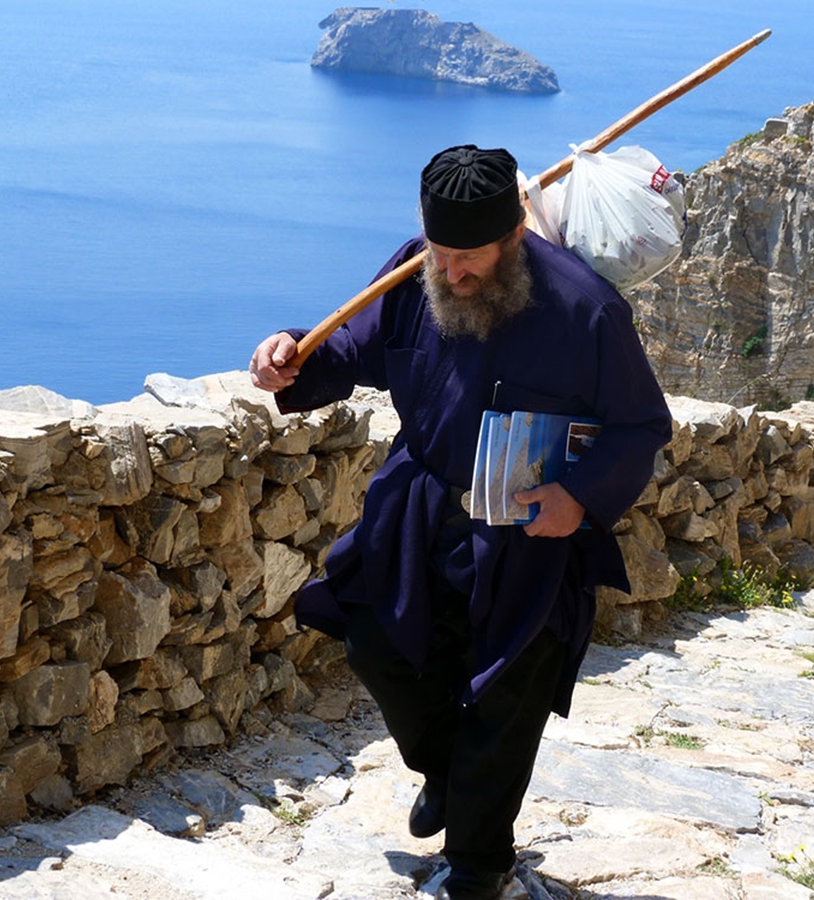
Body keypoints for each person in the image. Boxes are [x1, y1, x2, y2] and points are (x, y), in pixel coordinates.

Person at [249, 145, 671, 900]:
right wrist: (289, 358)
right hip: (418, 510)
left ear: (514, 237)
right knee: (378, 644)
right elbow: (354, 348)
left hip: (528, 533)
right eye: (441, 254)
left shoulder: (587, 309)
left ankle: (479, 865)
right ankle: (446, 774)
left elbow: (640, 426)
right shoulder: (416, 270)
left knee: (503, 695)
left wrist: (579, 498)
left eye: (469, 258)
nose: (451, 274)